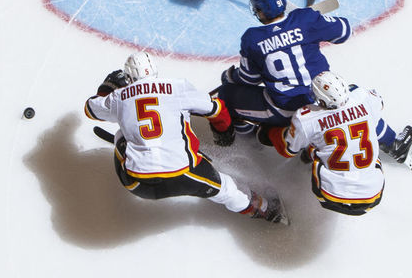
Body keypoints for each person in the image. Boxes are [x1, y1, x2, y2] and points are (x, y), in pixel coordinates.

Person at [83, 51, 289, 225]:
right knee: (228, 189)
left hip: (136, 182)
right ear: (154, 70)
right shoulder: (176, 86)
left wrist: (107, 88)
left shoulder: (119, 97)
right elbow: (216, 108)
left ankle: (131, 145)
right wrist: (224, 132)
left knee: (121, 131)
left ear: (128, 78)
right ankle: (267, 211)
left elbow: (90, 109)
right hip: (183, 173)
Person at [259, 70, 412, 216]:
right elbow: (379, 104)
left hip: (330, 197)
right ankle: (394, 145)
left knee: (314, 143)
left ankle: (300, 169)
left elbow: (287, 149)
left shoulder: (306, 117)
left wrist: (268, 133)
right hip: (373, 194)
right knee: (370, 118)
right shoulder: (361, 96)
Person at [214, 0, 351, 136]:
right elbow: (344, 31)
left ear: (260, 11)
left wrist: (230, 76)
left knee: (226, 95)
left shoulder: (252, 38)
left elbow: (250, 79)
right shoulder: (306, 19)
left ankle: (250, 133)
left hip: (286, 110)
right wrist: (315, 21)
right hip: (323, 101)